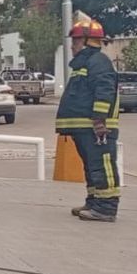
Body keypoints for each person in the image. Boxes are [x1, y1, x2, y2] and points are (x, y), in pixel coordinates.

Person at [56, 18, 121, 223]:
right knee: (92, 167)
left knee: (102, 166)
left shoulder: (98, 61)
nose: (72, 46)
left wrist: (99, 121)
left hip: (96, 128)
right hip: (85, 128)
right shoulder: (85, 63)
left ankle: (106, 208)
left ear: (87, 42)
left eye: (75, 41)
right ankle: (94, 202)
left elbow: (104, 91)